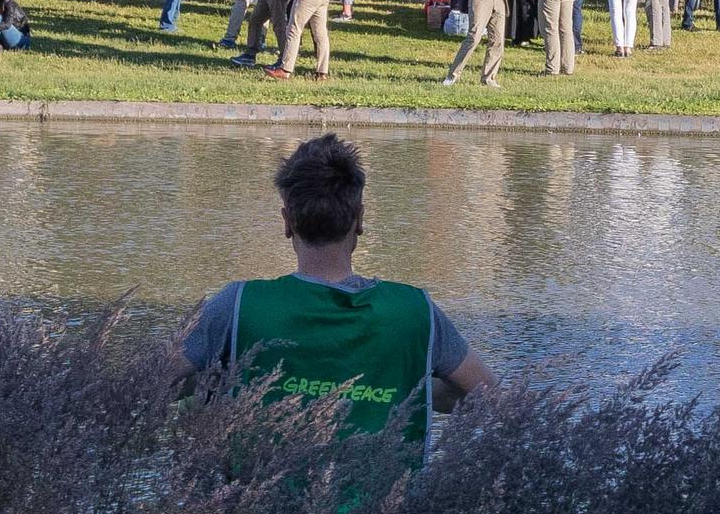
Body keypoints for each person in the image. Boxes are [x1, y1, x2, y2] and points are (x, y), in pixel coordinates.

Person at [183, 134, 494, 454]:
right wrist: (404, 388)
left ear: (287, 222)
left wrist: (219, 385)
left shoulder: (239, 304)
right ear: (359, 219)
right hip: (387, 504)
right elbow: (489, 396)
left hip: (259, 503)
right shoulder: (414, 311)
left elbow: (151, 383)